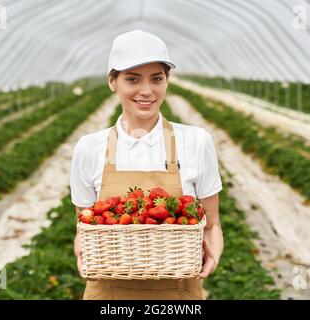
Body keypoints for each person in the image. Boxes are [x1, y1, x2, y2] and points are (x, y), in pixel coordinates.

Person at [70, 29, 223, 300]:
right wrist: (82, 252)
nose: (146, 91)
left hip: (178, 293)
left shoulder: (196, 142)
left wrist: (213, 253)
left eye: (156, 78)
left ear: (167, 80)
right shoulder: (89, 148)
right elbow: (86, 226)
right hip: (108, 294)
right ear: (112, 82)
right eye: (132, 79)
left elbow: (211, 225)